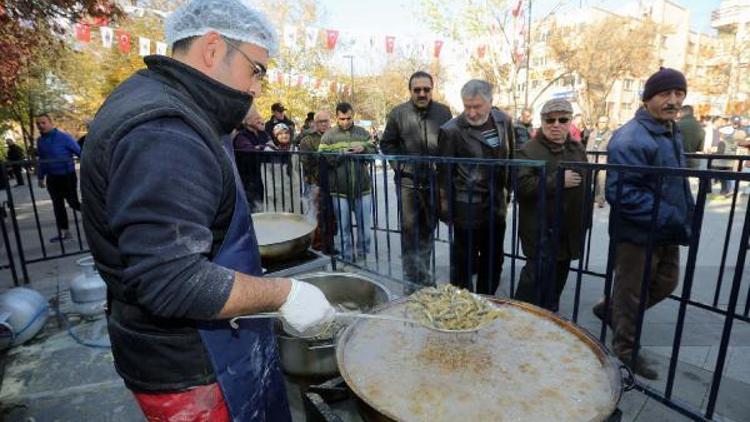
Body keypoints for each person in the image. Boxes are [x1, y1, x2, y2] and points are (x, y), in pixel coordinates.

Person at [79, 1, 335, 420]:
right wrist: (286, 294)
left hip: (198, 351)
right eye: (256, 70)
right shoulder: (164, 130)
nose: (256, 88)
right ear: (213, 48)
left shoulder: (164, 100)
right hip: (192, 367)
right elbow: (172, 281)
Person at [593, 67, 694, 380]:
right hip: (638, 233)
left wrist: (682, 214)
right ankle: (625, 349)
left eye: (679, 94)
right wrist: (671, 215)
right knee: (631, 293)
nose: (673, 101)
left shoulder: (668, 131)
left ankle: (615, 312)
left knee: (666, 281)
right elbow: (621, 192)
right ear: (649, 98)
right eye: (665, 94)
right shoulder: (631, 137)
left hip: (666, 228)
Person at [437, 79, 515, 295]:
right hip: (466, 209)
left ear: (490, 103)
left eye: (477, 107)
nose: (471, 113)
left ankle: (487, 301)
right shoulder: (451, 130)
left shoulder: (504, 121)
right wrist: (446, 211)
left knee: (493, 260)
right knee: (463, 263)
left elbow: (510, 158)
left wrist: (507, 195)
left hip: (496, 207)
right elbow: (444, 175)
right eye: (467, 107)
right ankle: (463, 305)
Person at [380, 71, 452, 293]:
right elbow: (387, 144)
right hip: (408, 186)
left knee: (429, 230)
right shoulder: (398, 113)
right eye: (417, 90)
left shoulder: (443, 111)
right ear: (410, 91)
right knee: (410, 233)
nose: (422, 93)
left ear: (432, 89)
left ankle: (425, 277)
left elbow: (449, 142)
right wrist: (402, 167)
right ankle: (410, 282)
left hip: (433, 184)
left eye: (426, 89)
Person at [514, 99, 588, 311]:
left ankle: (549, 317)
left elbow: (585, 186)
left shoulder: (577, 148)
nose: (556, 124)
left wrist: (585, 220)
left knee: (559, 277)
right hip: (540, 228)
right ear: (542, 121)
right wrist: (557, 181)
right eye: (550, 120)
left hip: (569, 227)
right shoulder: (528, 150)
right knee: (533, 279)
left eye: (563, 119)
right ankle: (520, 317)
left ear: (570, 121)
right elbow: (521, 186)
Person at [318, 102, 377, 261]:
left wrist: (363, 150)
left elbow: (374, 151)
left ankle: (363, 255)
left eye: (348, 118)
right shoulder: (328, 135)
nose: (345, 122)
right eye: (342, 118)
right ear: (336, 117)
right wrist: (340, 154)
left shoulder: (362, 133)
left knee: (364, 227)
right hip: (339, 189)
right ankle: (347, 256)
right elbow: (322, 157)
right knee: (344, 227)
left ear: (353, 115)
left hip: (362, 187)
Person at [35, 113, 82, 242]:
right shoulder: (40, 141)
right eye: (38, 124)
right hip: (52, 179)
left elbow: (79, 152)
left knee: (73, 203)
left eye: (43, 122)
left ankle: (97, 218)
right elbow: (42, 160)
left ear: (51, 122)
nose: (40, 126)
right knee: (58, 206)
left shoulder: (64, 137)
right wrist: (40, 177)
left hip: (67, 176)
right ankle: (64, 233)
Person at [299, 110, 335, 252]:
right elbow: (306, 162)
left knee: (332, 216)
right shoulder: (307, 140)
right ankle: (318, 245)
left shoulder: (335, 136)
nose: (324, 124)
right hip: (316, 181)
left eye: (326, 121)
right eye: (321, 121)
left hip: (333, 181)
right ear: (315, 123)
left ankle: (330, 244)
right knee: (318, 214)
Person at [234, 106, 273, 212]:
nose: (259, 120)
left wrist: (260, 147)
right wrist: (263, 147)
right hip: (249, 180)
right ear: (246, 121)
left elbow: (272, 147)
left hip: (264, 179)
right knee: (254, 209)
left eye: (259, 118)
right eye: (256, 118)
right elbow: (250, 151)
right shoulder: (241, 136)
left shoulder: (263, 134)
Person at [586, 116, 613, 207]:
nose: (602, 124)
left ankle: (600, 200)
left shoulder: (610, 135)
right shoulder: (593, 133)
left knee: (601, 181)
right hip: (591, 159)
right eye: (601, 122)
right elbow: (588, 147)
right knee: (592, 180)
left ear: (607, 123)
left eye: (604, 122)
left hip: (603, 160)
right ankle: (593, 197)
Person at [676, 105, 705, 169]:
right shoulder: (700, 127)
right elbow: (700, 148)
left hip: (678, 158)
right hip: (693, 159)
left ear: (682, 112)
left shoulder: (677, 125)